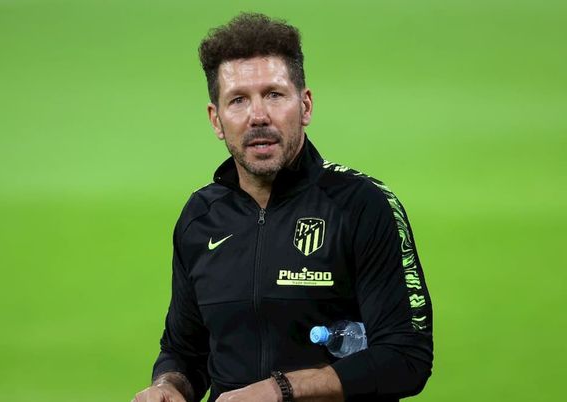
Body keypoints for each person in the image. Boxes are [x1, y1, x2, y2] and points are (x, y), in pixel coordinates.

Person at [133, 13, 433, 402]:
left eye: (274, 94)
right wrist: (168, 386)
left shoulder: (362, 205)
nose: (258, 116)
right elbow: (185, 350)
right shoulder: (201, 217)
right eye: (238, 100)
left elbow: (405, 357)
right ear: (216, 120)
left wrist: (281, 390)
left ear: (305, 106)